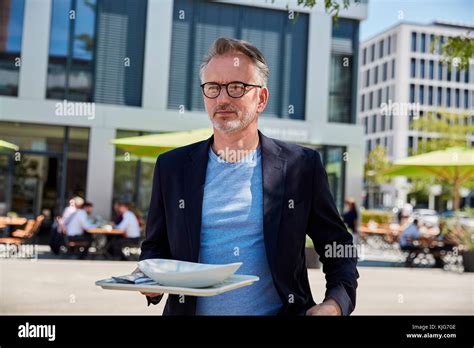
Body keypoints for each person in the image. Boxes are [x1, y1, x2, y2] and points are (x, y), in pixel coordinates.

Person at [137, 37, 358, 316]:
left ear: (261, 98)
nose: (223, 98)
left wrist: (335, 304)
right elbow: (155, 246)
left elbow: (339, 247)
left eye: (237, 87)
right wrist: (150, 273)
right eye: (213, 88)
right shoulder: (172, 167)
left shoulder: (301, 166)